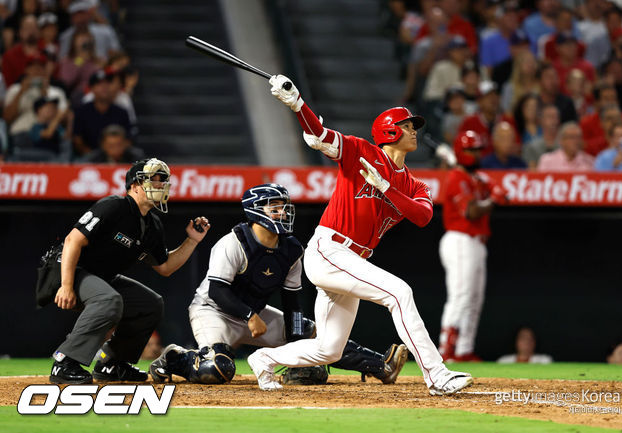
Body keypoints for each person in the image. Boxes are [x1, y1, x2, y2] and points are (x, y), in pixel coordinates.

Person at [246, 74, 473, 396]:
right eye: (408, 126)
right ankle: (437, 375)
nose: (413, 132)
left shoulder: (415, 184)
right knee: (399, 293)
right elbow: (319, 135)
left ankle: (264, 359)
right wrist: (297, 104)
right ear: (390, 131)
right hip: (330, 249)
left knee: (329, 350)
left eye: (413, 127)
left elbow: (422, 216)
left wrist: (387, 188)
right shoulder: (361, 152)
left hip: (351, 259)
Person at [151, 184, 410, 385]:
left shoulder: (291, 249)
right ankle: (176, 358)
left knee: (311, 332)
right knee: (216, 369)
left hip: (254, 313)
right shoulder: (232, 243)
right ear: (255, 210)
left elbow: (292, 302)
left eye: (284, 207)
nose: (282, 212)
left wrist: (300, 347)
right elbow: (218, 290)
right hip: (214, 310)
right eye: (274, 207)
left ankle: (380, 365)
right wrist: (250, 316)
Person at [36, 158, 211, 384]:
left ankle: (111, 364)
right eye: (154, 180)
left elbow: (165, 267)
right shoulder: (114, 206)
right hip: (68, 269)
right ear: (135, 185)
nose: (160, 185)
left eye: (163, 181)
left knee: (149, 303)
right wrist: (67, 285)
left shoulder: (152, 224)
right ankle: (64, 362)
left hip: (100, 277)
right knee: (110, 299)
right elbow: (72, 241)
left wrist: (192, 240)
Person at [438, 130, 508, 362]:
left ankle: (463, 349)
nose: (475, 155)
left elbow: (501, 193)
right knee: (461, 295)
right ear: (461, 152)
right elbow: (470, 211)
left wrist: (494, 192)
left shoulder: (475, 178)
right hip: (460, 239)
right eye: (470, 150)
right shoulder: (456, 178)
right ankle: (446, 348)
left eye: (477, 150)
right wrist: (493, 200)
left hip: (477, 242)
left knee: (474, 299)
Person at [72, 68, 132, 157]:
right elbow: (77, 139)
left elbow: (128, 139)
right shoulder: (82, 111)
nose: (104, 87)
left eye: (107, 83)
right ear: (92, 88)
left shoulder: (121, 112)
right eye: (99, 84)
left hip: (117, 158)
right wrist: (94, 156)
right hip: (89, 158)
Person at [523, 104, 561, 169]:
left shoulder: (564, 145)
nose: (554, 121)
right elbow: (530, 171)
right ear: (542, 120)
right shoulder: (532, 146)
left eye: (556, 117)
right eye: (550, 117)